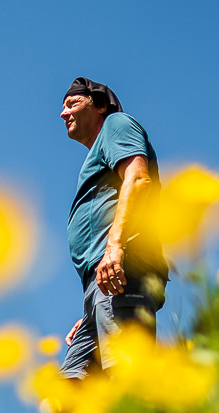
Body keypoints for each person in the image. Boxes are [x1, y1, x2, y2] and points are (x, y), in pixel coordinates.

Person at [58, 77, 168, 380]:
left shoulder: (115, 125)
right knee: (67, 394)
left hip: (123, 268)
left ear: (101, 105)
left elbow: (137, 179)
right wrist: (92, 311)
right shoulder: (98, 150)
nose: (63, 113)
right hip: (102, 286)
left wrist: (115, 247)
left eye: (72, 103)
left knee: (127, 374)